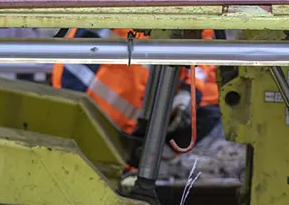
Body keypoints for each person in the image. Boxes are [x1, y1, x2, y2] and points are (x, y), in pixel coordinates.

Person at [51, 28, 221, 149]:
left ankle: (135, 162)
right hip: (97, 95)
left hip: (133, 107)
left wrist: (190, 88)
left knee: (215, 94)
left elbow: (202, 40)